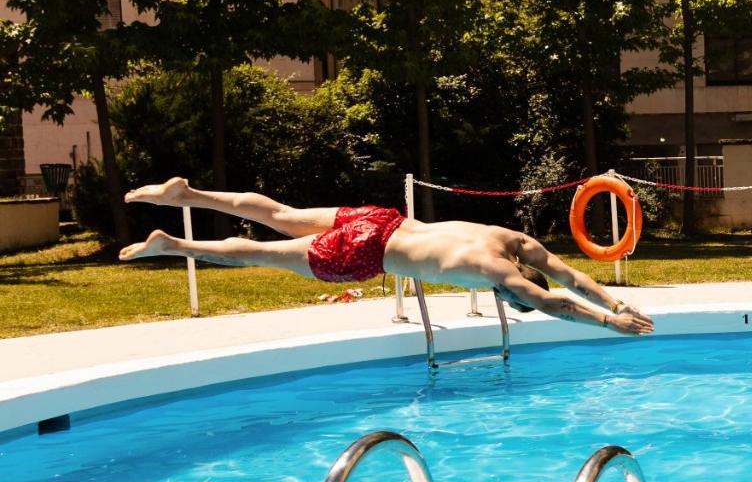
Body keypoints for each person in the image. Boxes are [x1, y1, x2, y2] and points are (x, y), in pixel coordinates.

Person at [119, 178, 654, 335]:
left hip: (382, 220)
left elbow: (569, 274)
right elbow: (556, 302)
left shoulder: (508, 239)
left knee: (281, 211)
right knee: (262, 254)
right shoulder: (498, 275)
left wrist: (615, 300)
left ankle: (187, 194)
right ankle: (174, 243)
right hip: (367, 250)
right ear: (505, 291)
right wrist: (612, 323)